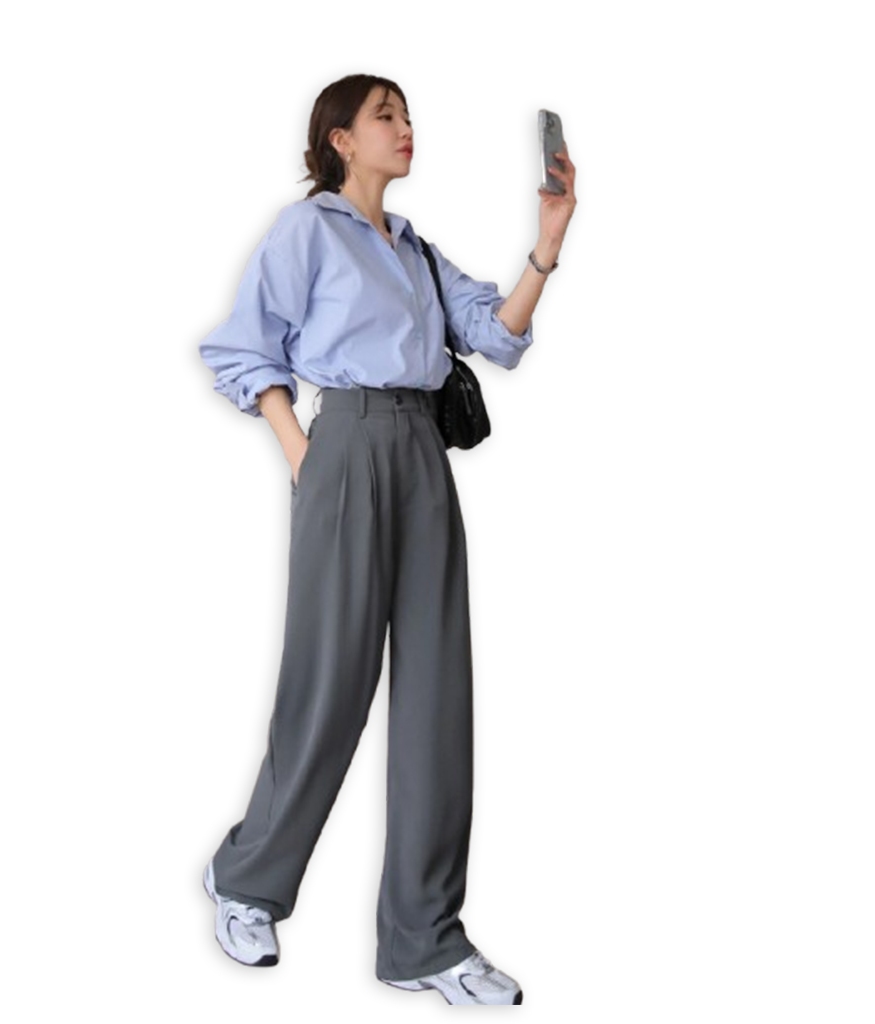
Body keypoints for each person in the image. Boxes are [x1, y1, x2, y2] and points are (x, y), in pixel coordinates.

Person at [196, 73, 577, 1006]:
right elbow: (243, 346)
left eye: (407, 115)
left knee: (439, 693)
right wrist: (300, 452)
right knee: (331, 679)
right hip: (347, 446)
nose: (405, 128)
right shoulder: (306, 231)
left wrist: (549, 242)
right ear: (339, 139)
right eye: (385, 115)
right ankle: (247, 880)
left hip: (421, 455)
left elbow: (496, 335)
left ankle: (424, 939)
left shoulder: (415, 249)